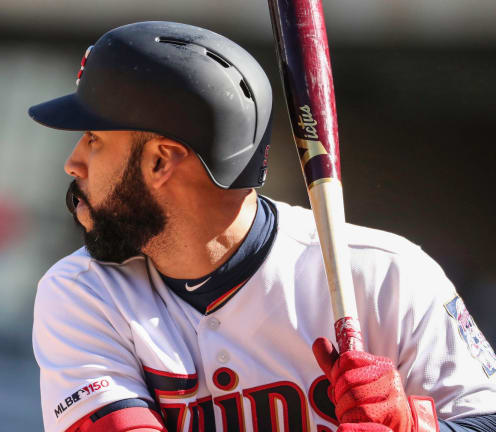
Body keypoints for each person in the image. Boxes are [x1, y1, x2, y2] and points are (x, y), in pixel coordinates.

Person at [28, 21, 496, 432]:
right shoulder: (83, 293)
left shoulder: (385, 276)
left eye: (93, 140)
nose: (73, 164)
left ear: (160, 161)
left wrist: (415, 427)